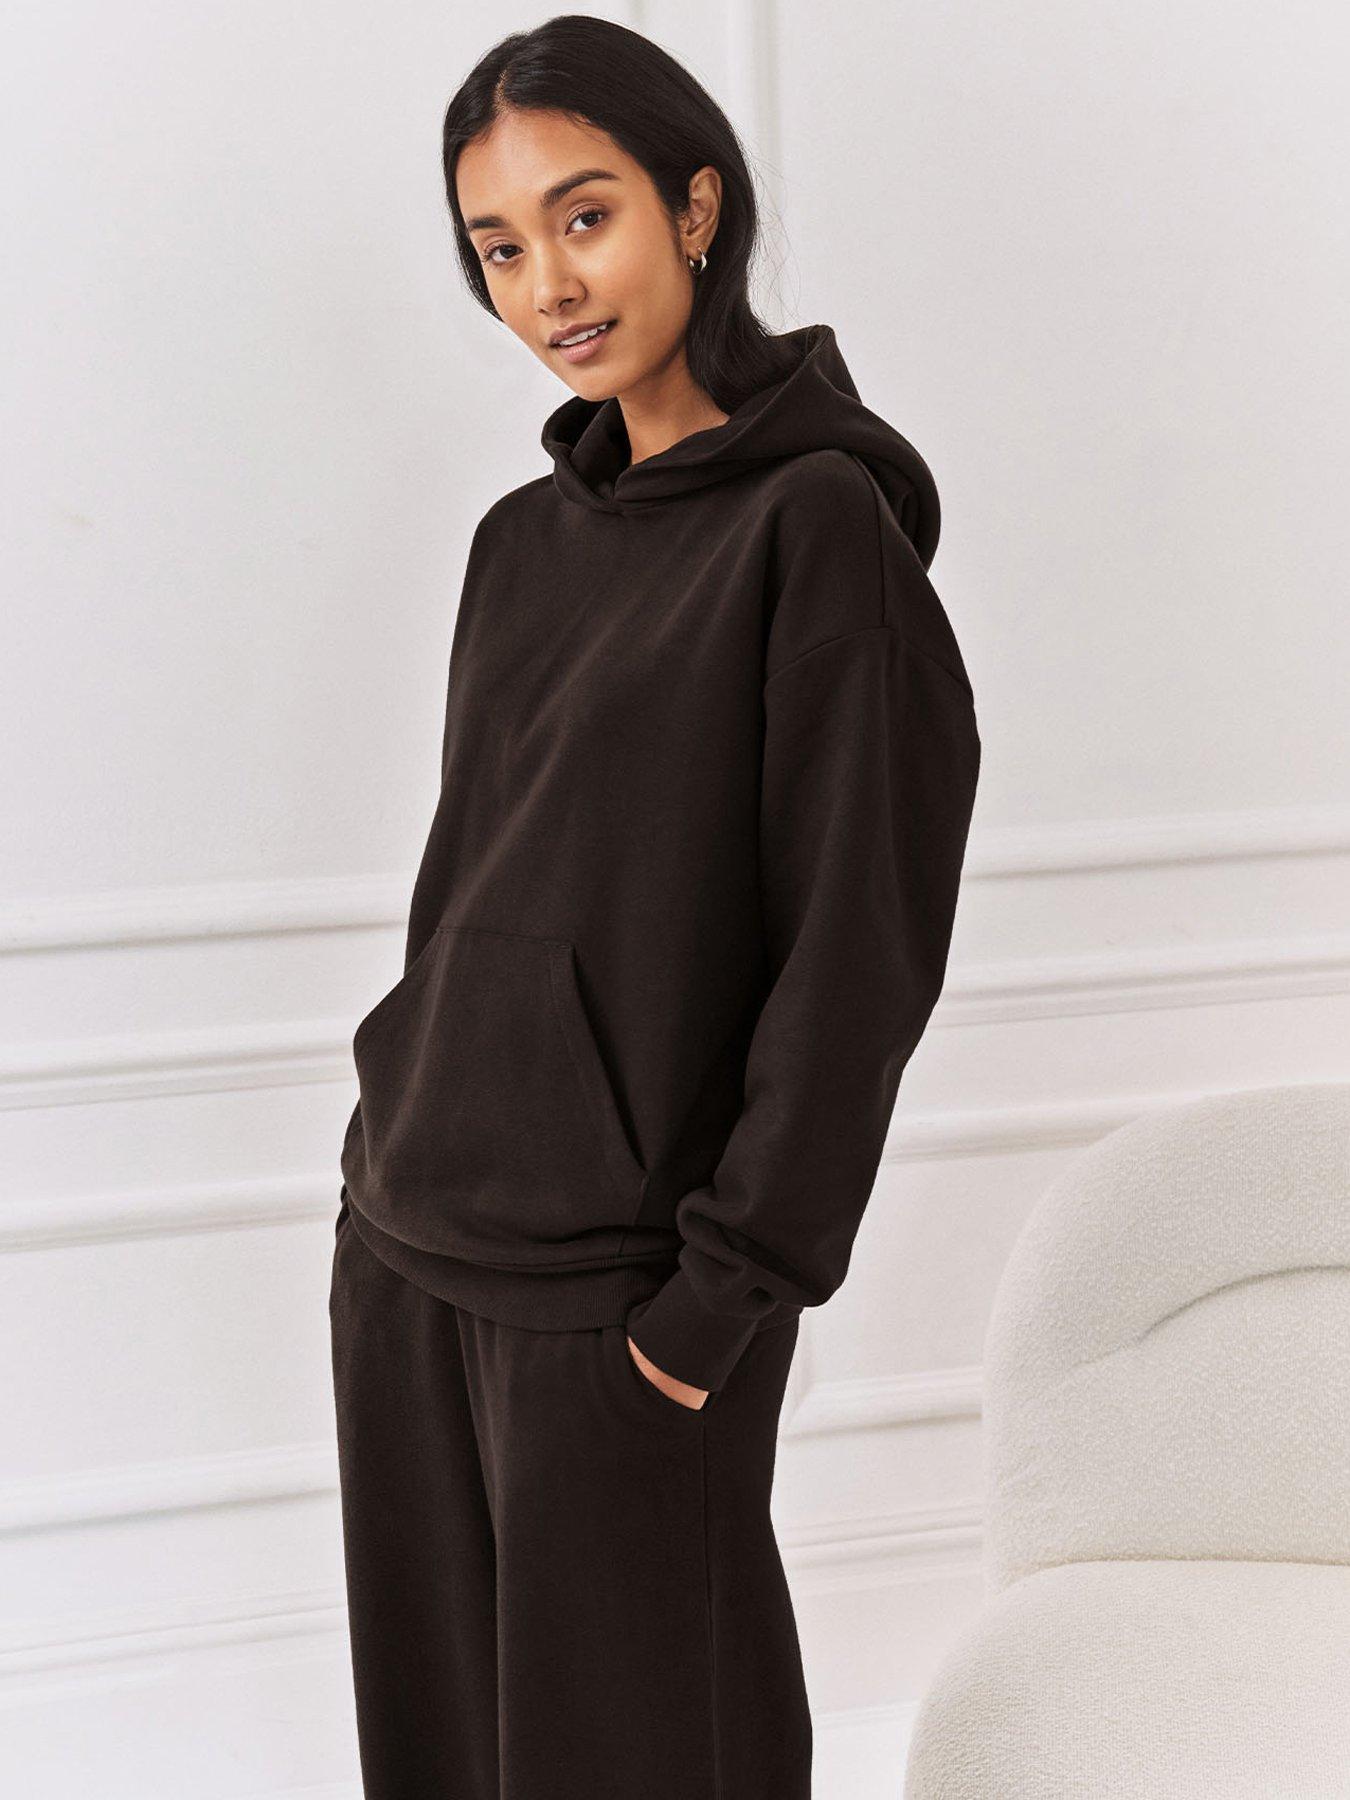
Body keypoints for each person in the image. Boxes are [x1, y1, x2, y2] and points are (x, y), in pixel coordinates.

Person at [328, 15, 981, 1799]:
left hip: (621, 1308)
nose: (547, 284)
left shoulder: (818, 533)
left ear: (695, 209)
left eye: (584, 214)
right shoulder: (516, 546)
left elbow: (856, 963)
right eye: (497, 246)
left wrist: (713, 1311)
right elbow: (470, 886)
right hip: (406, 1256)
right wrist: (380, 1155)